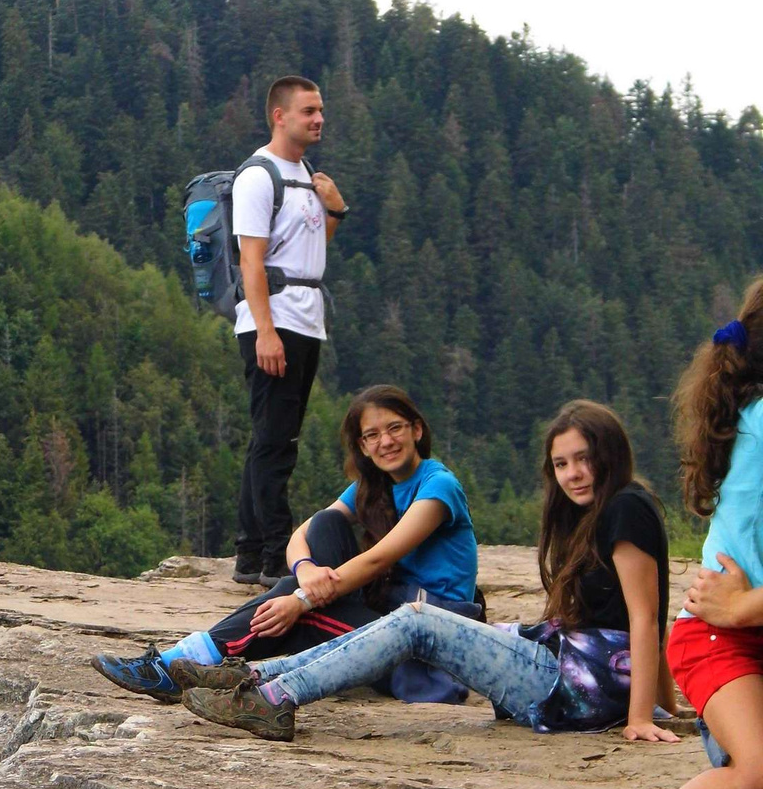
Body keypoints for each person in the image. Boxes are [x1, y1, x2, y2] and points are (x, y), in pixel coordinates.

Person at [181, 401, 680, 752]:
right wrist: (667, 709)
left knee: (419, 621)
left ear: (611, 453)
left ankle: (273, 696)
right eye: (562, 464)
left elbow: (646, 617)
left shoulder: (626, 508)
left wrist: (642, 717)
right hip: (567, 668)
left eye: (585, 459)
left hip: (579, 688)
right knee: (415, 625)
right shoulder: (599, 510)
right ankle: (253, 677)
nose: (574, 473)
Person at [92, 386, 480, 705]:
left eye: (394, 429)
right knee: (327, 526)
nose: (386, 442)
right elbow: (303, 535)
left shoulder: (438, 486)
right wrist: (306, 574)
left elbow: (380, 558)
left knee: (296, 613)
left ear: (416, 430)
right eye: (372, 435)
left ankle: (177, 666)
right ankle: (189, 667)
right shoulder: (372, 488)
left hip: (427, 641)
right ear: (362, 447)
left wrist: (302, 600)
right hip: (390, 614)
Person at [596, 284, 763, 789]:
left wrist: (750, 603)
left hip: (742, 615)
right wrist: (745, 609)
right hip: (720, 634)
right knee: (756, 773)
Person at [232, 74, 348, 585]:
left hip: (304, 319)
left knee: (272, 438)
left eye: (320, 110)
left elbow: (309, 246)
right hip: (274, 319)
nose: (319, 118)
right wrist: (264, 331)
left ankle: (248, 552)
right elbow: (250, 262)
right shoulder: (258, 176)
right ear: (280, 115)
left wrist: (336, 209)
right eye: (308, 111)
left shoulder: (306, 174)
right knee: (276, 443)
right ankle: (278, 555)